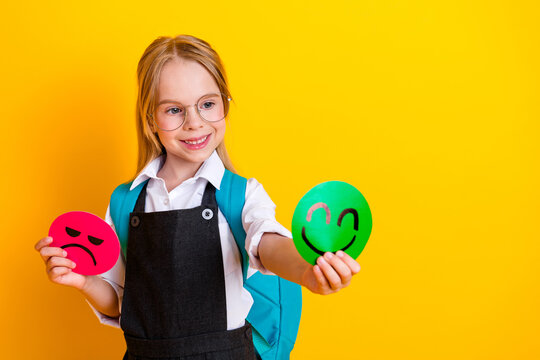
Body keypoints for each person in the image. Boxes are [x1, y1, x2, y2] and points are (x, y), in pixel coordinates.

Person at [34, 34, 361, 360]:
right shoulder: (125, 201)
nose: (194, 123)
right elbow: (120, 300)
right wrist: (83, 281)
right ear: (150, 119)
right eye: (174, 110)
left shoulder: (240, 195)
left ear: (224, 104)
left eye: (207, 104)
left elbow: (267, 243)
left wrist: (306, 271)